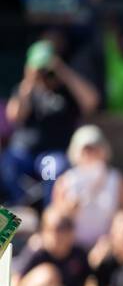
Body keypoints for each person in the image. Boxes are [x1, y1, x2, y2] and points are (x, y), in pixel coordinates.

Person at [2, 40, 98, 205]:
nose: (45, 72)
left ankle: (48, 212)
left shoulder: (67, 91)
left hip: (51, 153)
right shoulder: (25, 89)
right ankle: (20, 207)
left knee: (55, 170)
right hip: (23, 153)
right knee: (7, 164)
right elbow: (13, 116)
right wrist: (30, 80)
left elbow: (91, 101)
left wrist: (63, 71)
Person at [50, 124, 123, 249]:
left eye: (94, 149)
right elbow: (53, 218)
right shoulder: (64, 182)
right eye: (85, 150)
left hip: (108, 248)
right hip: (72, 249)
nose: (90, 154)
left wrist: (109, 242)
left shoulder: (120, 181)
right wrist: (67, 211)